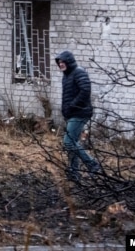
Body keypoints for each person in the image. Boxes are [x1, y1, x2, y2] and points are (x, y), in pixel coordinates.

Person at [54, 50, 100, 183]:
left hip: (80, 112)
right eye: (59, 62)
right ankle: (74, 172)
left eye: (63, 62)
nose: (61, 64)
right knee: (73, 142)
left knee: (68, 142)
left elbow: (85, 90)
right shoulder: (66, 75)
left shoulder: (78, 72)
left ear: (69, 61)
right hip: (72, 113)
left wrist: (72, 106)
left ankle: (92, 164)